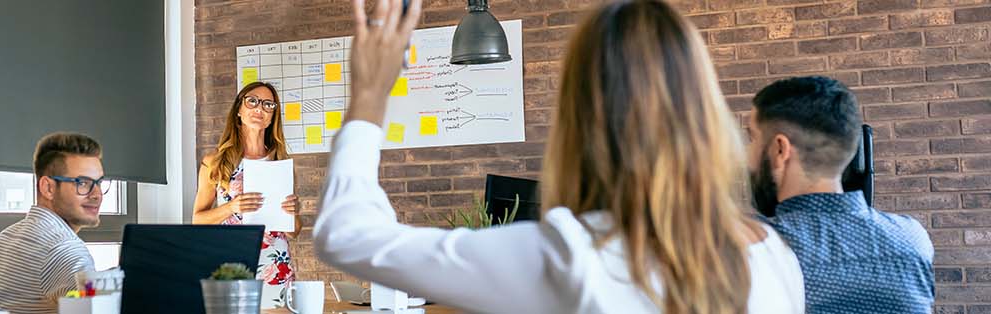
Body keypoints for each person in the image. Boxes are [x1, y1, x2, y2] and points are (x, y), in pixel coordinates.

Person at [313, 0, 805, 313]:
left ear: (580, 118)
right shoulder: (772, 256)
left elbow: (347, 237)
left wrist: (370, 96)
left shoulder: (567, 256)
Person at [749, 76, 935, 313]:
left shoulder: (751, 243)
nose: (748, 152)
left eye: (752, 138)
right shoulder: (913, 238)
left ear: (780, 149)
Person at [192, 81, 304, 308]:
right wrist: (231, 208)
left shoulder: (280, 164)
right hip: (229, 262)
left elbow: (294, 232)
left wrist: (293, 213)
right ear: (239, 111)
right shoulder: (215, 162)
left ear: (273, 116)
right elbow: (198, 219)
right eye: (252, 101)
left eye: (268, 105)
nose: (259, 109)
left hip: (274, 261)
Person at [0, 133, 109, 314]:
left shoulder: (4, 239)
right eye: (83, 183)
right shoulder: (65, 249)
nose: (97, 194)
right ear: (48, 188)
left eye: (99, 183)